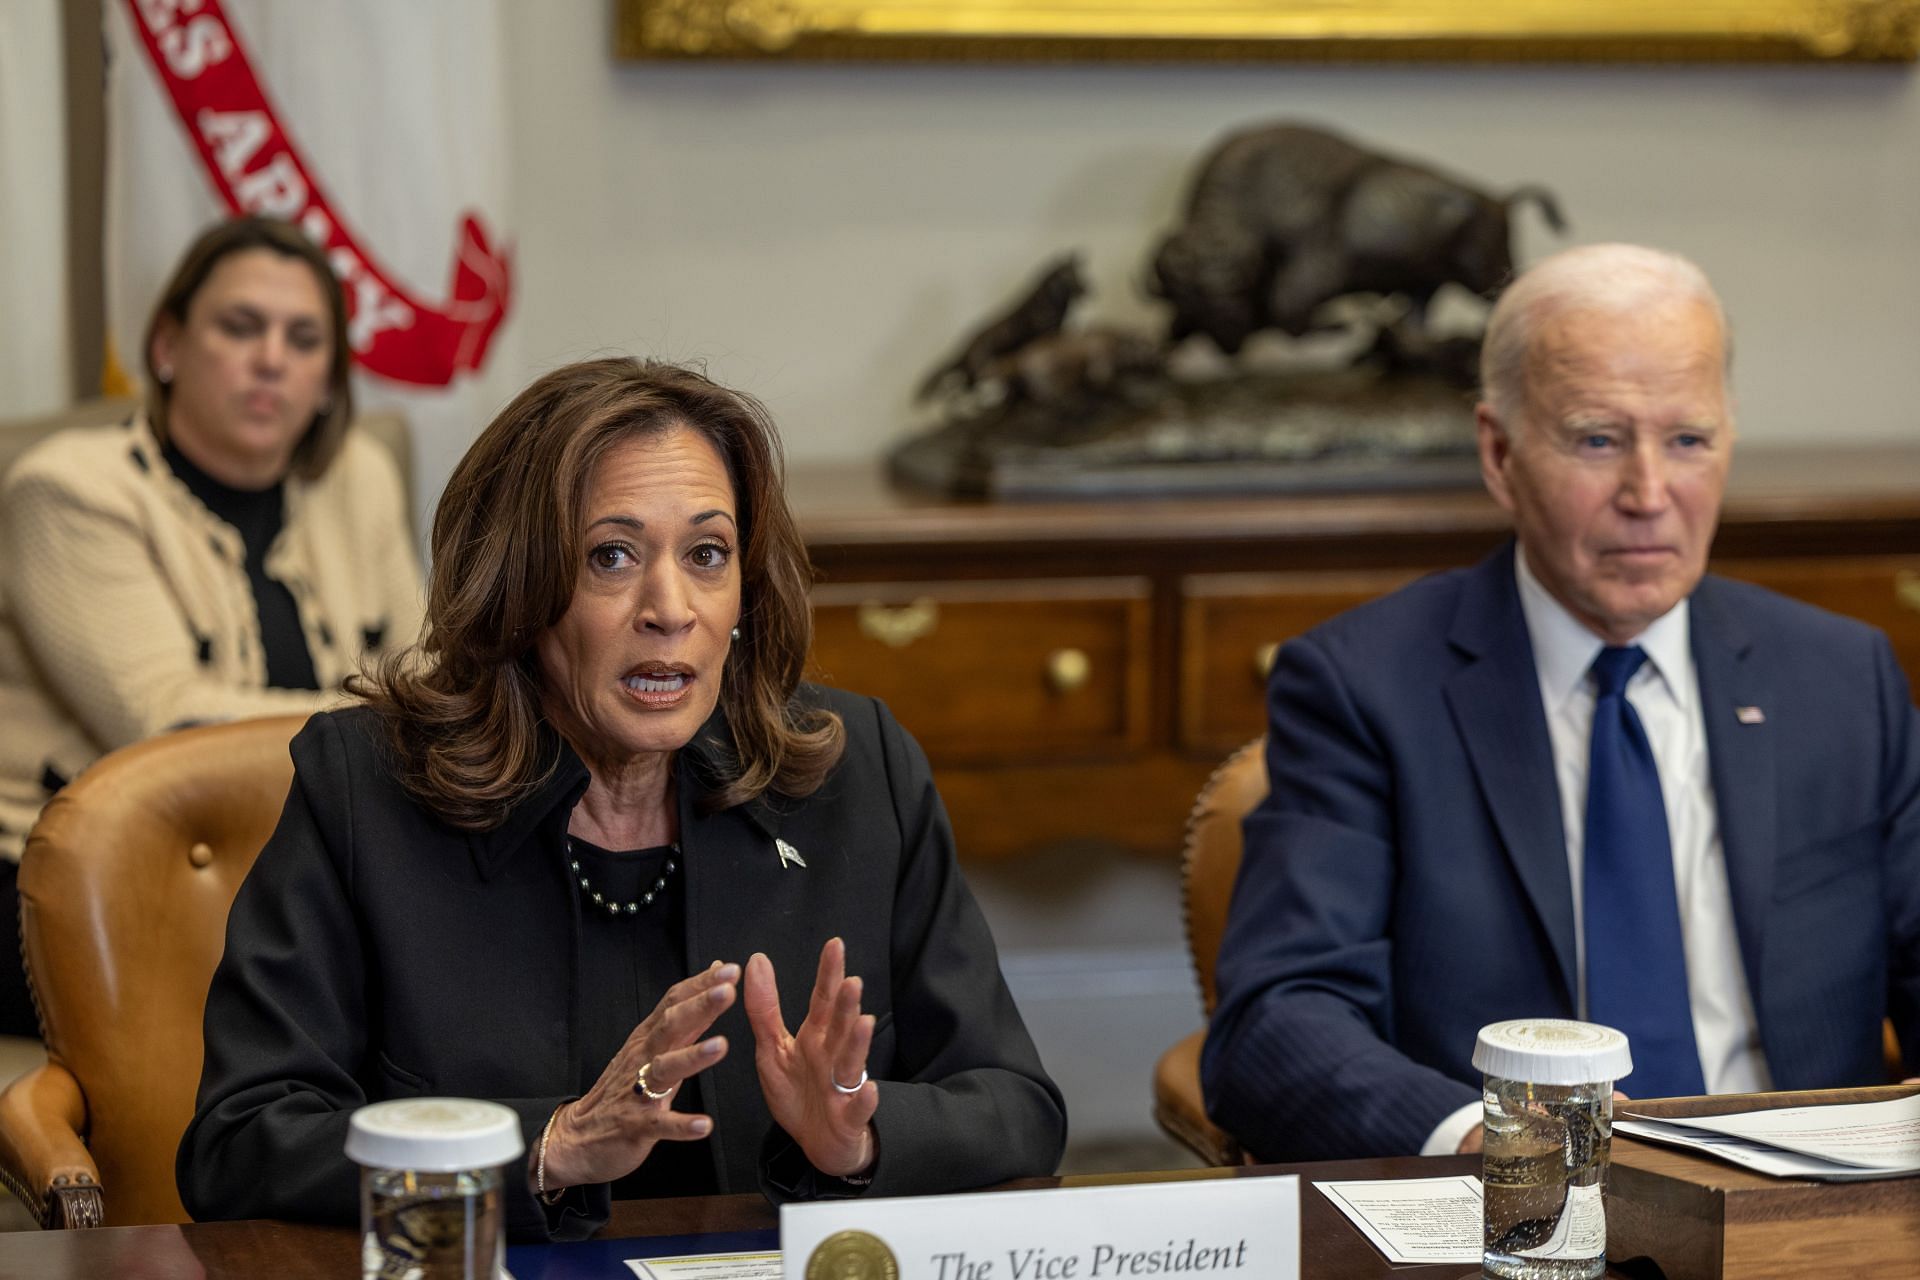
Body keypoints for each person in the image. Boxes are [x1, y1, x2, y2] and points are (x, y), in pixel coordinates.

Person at [177, 357, 1066, 1240]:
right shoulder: (368, 791)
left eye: (708, 554)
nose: (669, 607)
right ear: (516, 587)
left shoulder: (856, 772)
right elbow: (241, 1144)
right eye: (612, 556)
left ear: (745, 594)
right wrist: (549, 1147)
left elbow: (1016, 1105)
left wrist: (858, 1141)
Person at [1202, 243, 1920, 1163]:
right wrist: (1492, 1144)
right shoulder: (1363, 687)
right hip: (1519, 1223)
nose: (1649, 495)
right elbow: (1275, 1024)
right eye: (1598, 439)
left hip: (1800, 1225)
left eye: (1689, 441)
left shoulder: (1839, 677)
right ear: (1499, 453)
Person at [0, 216, 422, 1036]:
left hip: (283, 867)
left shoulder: (358, 477)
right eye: (240, 327)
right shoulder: (65, 491)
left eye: (304, 339)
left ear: (330, 379)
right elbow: (166, 723)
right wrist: (389, 721)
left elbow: (427, 671)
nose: (272, 359)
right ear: (167, 348)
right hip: (70, 876)